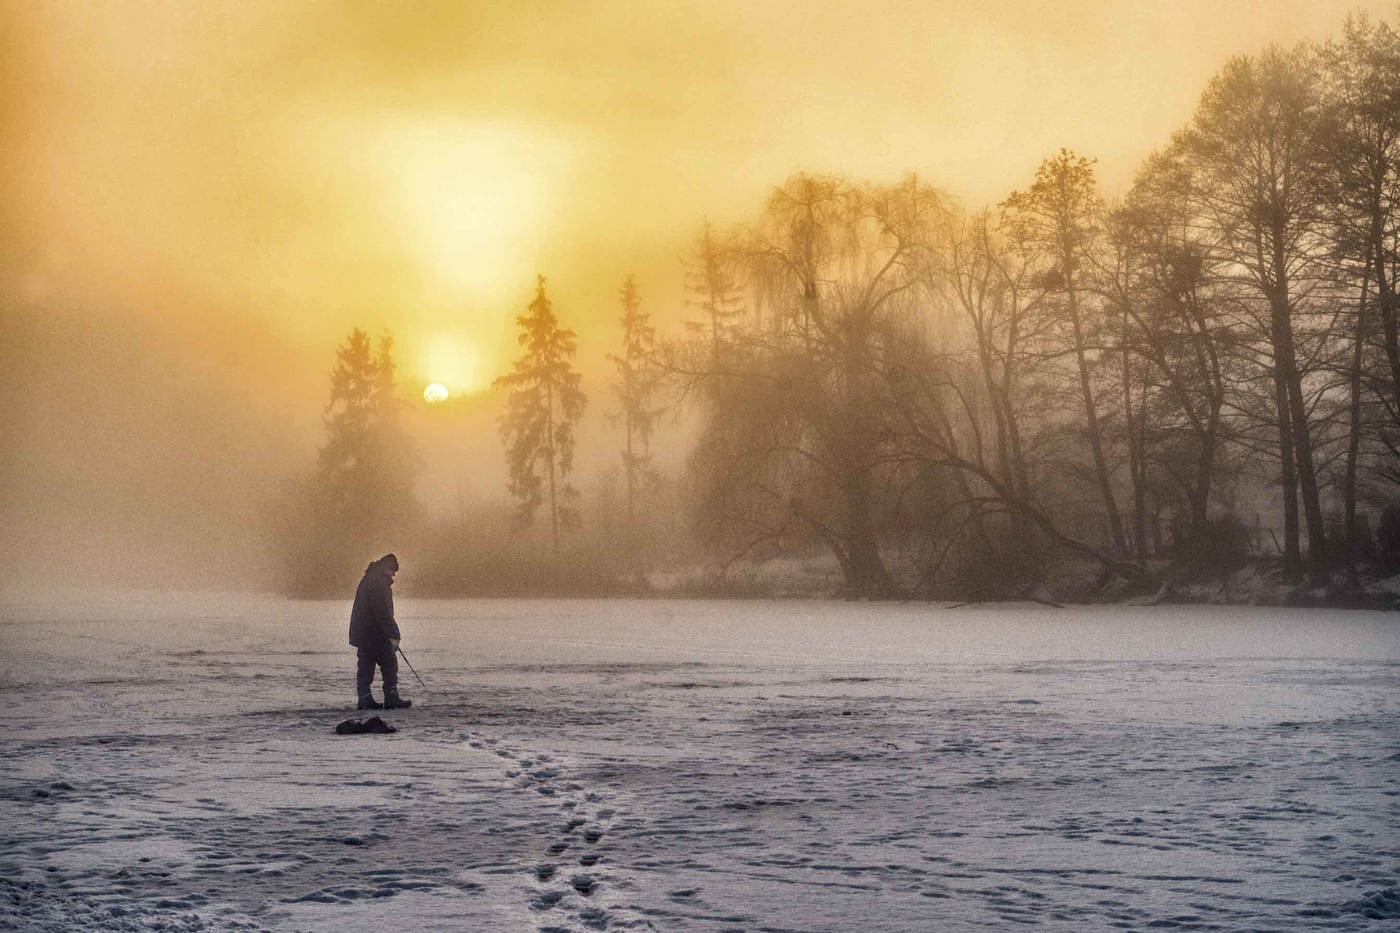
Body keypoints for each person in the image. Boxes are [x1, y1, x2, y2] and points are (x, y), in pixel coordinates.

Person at [348, 553, 412, 710]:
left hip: (364, 632)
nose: (394, 575)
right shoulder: (378, 583)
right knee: (389, 663)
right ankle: (391, 697)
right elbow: (383, 612)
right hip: (376, 633)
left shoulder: (369, 579)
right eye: (393, 571)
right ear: (386, 568)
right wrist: (394, 634)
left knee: (365, 665)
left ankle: (364, 698)